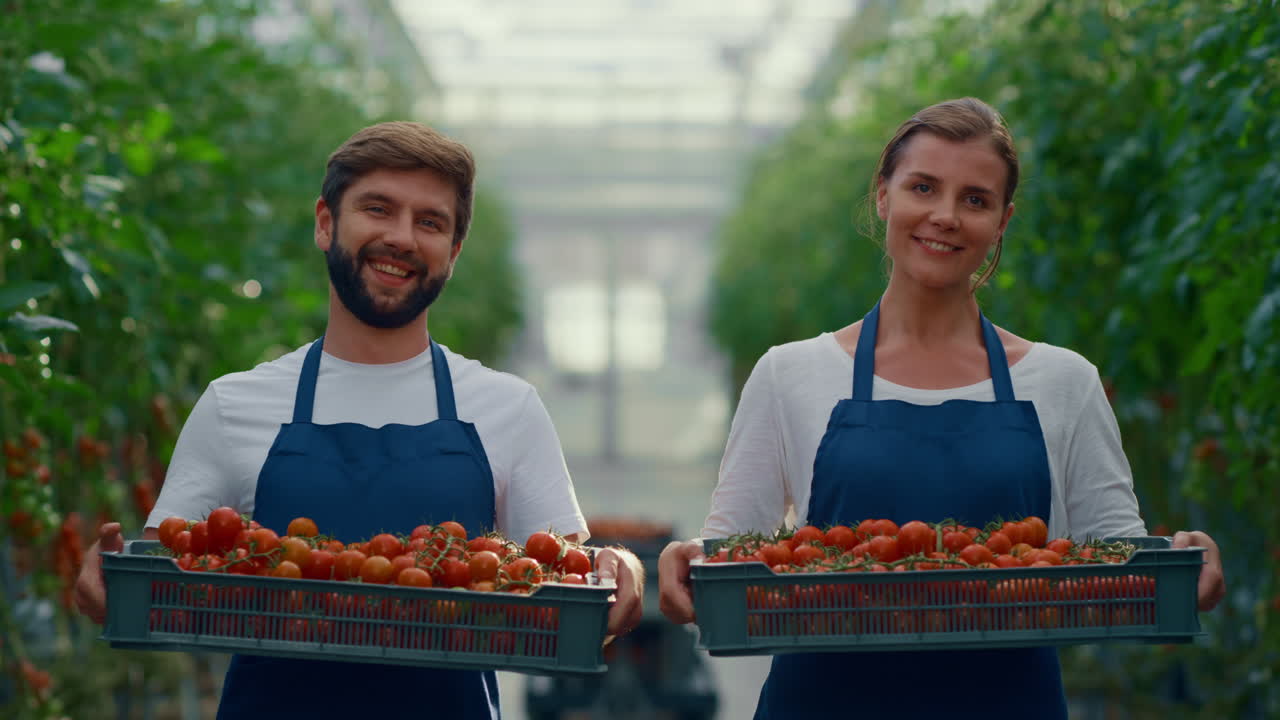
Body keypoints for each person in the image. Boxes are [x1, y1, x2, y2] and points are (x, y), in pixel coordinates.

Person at [657, 97, 1225, 718]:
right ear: (884, 196)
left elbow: (1115, 558)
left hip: (1009, 702)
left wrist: (1179, 561)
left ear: (1003, 220)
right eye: (923, 187)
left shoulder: (1063, 381)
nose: (945, 216)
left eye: (975, 200)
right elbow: (736, 552)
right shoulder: (790, 373)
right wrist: (690, 561)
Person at [75, 121, 644, 718]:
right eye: (378, 209)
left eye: (430, 222)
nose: (401, 237)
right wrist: (109, 585)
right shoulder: (233, 405)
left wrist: (623, 568)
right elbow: (164, 577)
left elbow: (574, 586)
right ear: (326, 224)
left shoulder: (508, 408)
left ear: (452, 252)